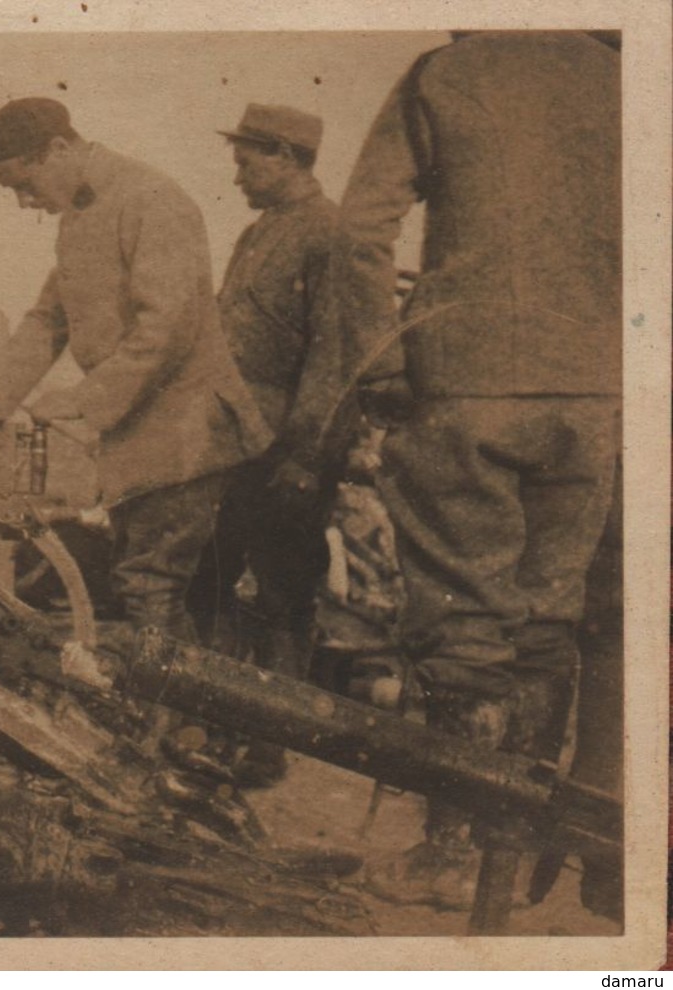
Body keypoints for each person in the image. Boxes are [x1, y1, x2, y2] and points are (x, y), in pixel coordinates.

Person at [335, 32, 622, 912]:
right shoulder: (621, 73)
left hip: (467, 380)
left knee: (464, 628)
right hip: (591, 392)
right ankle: (517, 856)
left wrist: (381, 364)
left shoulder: (446, 71)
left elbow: (359, 228)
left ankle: (456, 851)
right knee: (543, 622)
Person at [0, 97, 273, 646]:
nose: (24, 204)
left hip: (189, 434)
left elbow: (166, 330)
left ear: (59, 150)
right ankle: (186, 723)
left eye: (25, 185)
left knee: (150, 587)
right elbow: (50, 317)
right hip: (146, 436)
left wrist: (82, 399)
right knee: (160, 590)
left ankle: (170, 726)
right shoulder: (79, 216)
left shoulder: (151, 200)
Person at [190, 104, 351, 786]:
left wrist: (305, 456)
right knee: (211, 581)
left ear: (285, 157)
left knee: (283, 593)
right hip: (235, 443)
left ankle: (269, 745)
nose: (237, 176)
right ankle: (220, 729)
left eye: (246, 160)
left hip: (288, 451)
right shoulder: (260, 233)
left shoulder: (329, 234)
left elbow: (334, 357)